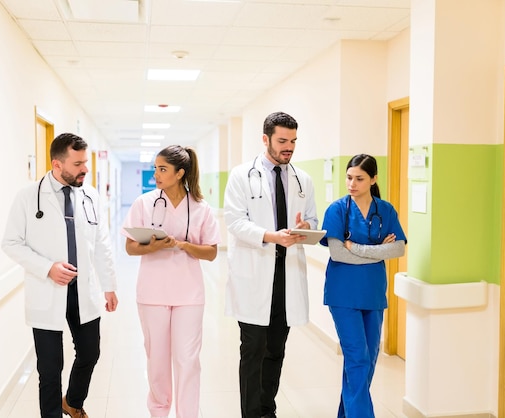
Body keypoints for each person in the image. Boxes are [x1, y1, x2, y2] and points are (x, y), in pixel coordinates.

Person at [2, 133, 118, 418]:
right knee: (50, 368)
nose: (85, 169)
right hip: (47, 289)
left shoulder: (90, 195)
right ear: (57, 164)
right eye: (78, 163)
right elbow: (10, 243)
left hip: (83, 290)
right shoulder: (28, 197)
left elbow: (101, 243)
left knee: (90, 353)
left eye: (86, 162)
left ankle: (73, 401)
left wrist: (109, 285)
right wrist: (47, 268)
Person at [223, 111, 318, 418]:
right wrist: (270, 236)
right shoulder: (241, 175)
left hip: (286, 276)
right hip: (254, 274)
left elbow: (313, 220)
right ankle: (250, 413)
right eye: (282, 141)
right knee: (252, 350)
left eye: (293, 141)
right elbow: (234, 221)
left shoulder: (303, 179)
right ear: (265, 139)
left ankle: (267, 409)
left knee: (276, 349)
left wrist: (305, 228)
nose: (288, 147)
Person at [121, 145, 220, 418]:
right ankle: (159, 412)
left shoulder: (200, 208)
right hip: (152, 293)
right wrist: (153, 247)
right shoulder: (145, 203)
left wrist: (183, 245)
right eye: (155, 168)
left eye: (162, 169)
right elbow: (130, 247)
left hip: (189, 295)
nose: (156, 174)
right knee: (158, 362)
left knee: (188, 361)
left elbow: (211, 252)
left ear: (180, 173)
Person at [320, 154, 407, 418]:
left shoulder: (386, 210)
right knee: (357, 357)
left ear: (373, 179)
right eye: (349, 178)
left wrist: (358, 248)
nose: (352, 184)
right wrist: (378, 250)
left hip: (372, 293)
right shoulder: (337, 210)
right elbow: (337, 253)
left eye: (359, 178)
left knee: (368, 360)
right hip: (343, 294)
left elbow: (398, 249)